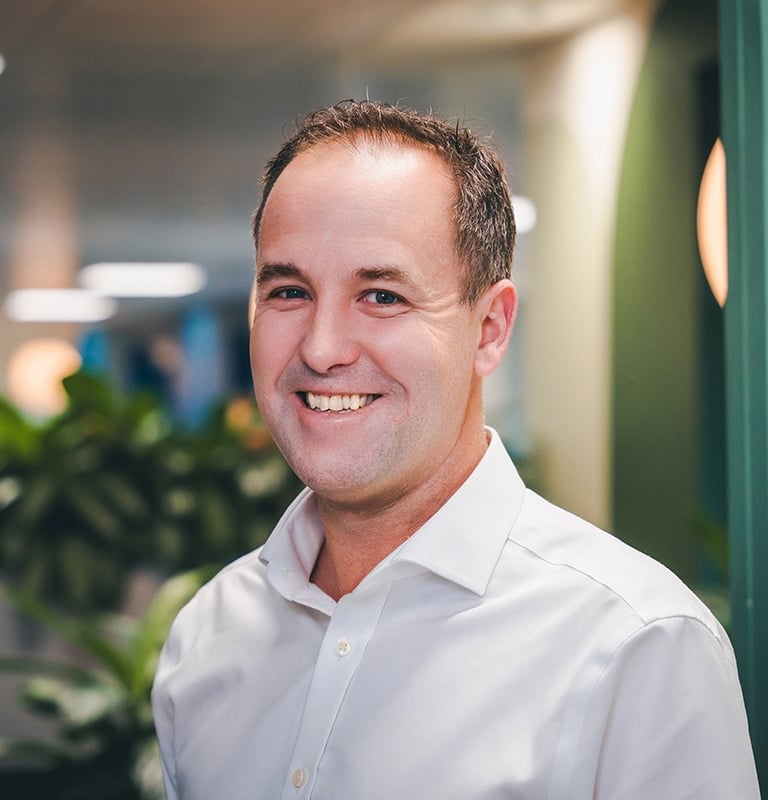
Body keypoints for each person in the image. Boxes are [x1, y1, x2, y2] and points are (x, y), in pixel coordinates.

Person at [151, 100, 760, 799]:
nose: (320, 349)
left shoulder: (635, 645)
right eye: (289, 291)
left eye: (381, 295)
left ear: (490, 329)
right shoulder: (207, 636)